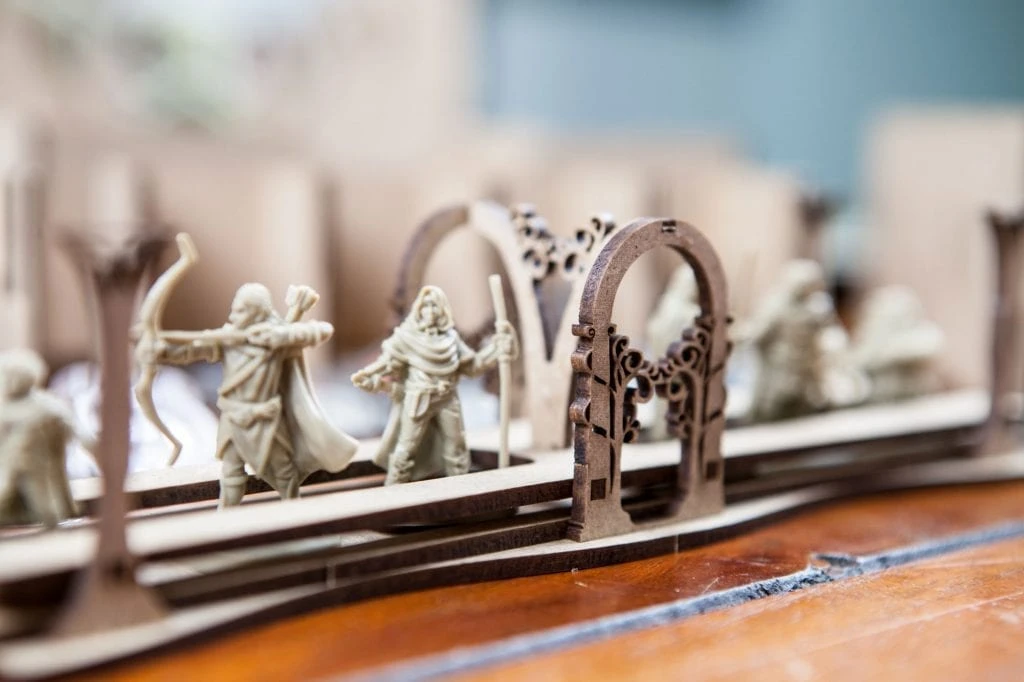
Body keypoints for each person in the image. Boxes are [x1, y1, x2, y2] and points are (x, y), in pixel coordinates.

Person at [145, 282, 357, 507]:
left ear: (257, 312)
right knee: (231, 475)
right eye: (234, 310)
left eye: (241, 311)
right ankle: (227, 517)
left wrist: (281, 335)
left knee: (285, 475)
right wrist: (161, 353)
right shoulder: (228, 340)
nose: (233, 316)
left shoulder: (274, 337)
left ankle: (294, 513)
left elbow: (322, 330)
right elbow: (192, 350)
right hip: (233, 421)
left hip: (266, 423)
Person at [352, 285, 519, 484]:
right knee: (406, 447)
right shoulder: (407, 337)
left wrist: (496, 349)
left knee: (456, 447)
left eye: (435, 306)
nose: (430, 311)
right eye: (426, 306)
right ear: (419, 309)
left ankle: (460, 486)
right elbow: (387, 363)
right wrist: (368, 375)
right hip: (418, 399)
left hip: (447, 399)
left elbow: (472, 366)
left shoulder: (451, 339)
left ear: (442, 310)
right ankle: (395, 486)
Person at [0, 349, 92, 527]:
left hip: (32, 464)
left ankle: (53, 519)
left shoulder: (36, 408)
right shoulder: (46, 405)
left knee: (38, 489)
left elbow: (77, 431)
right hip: (26, 466)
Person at [744, 260, 837, 422]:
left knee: (800, 413)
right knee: (773, 410)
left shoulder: (816, 307)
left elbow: (827, 333)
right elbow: (759, 334)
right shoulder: (776, 306)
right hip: (780, 368)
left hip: (805, 372)